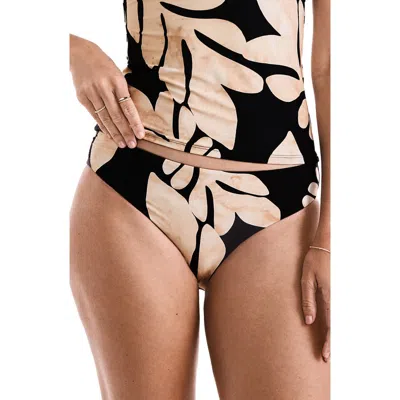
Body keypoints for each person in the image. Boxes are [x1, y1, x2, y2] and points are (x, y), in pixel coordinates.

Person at [69, 0, 330, 398]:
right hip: (137, 188)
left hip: (281, 206)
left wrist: (330, 238)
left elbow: (331, 68)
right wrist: (74, 51)